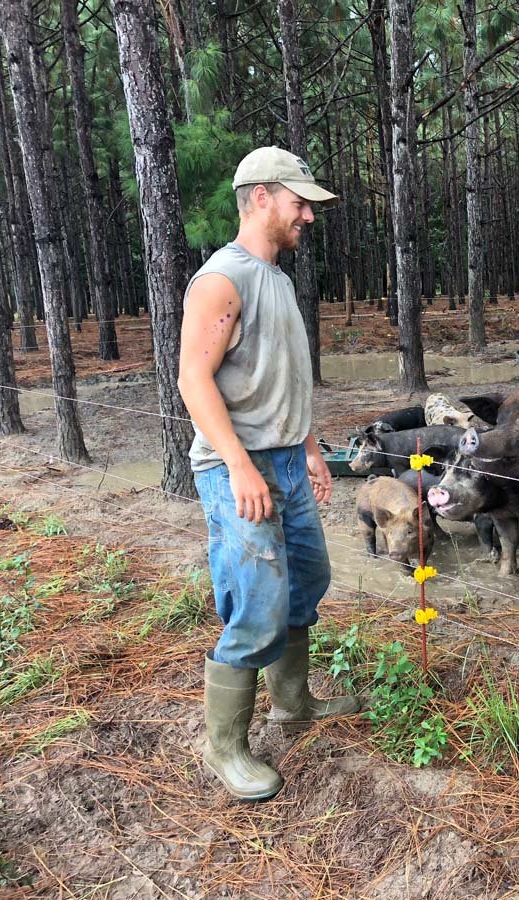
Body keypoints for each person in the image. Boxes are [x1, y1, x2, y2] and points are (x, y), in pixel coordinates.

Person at [178, 147, 358, 802]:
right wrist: (238, 465)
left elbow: (290, 377)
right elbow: (192, 379)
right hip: (237, 468)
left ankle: (293, 704)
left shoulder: (277, 281)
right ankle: (224, 745)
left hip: (285, 458)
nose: (307, 215)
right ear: (260, 197)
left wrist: (309, 449)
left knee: (308, 578)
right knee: (256, 603)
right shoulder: (222, 280)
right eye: (298, 202)